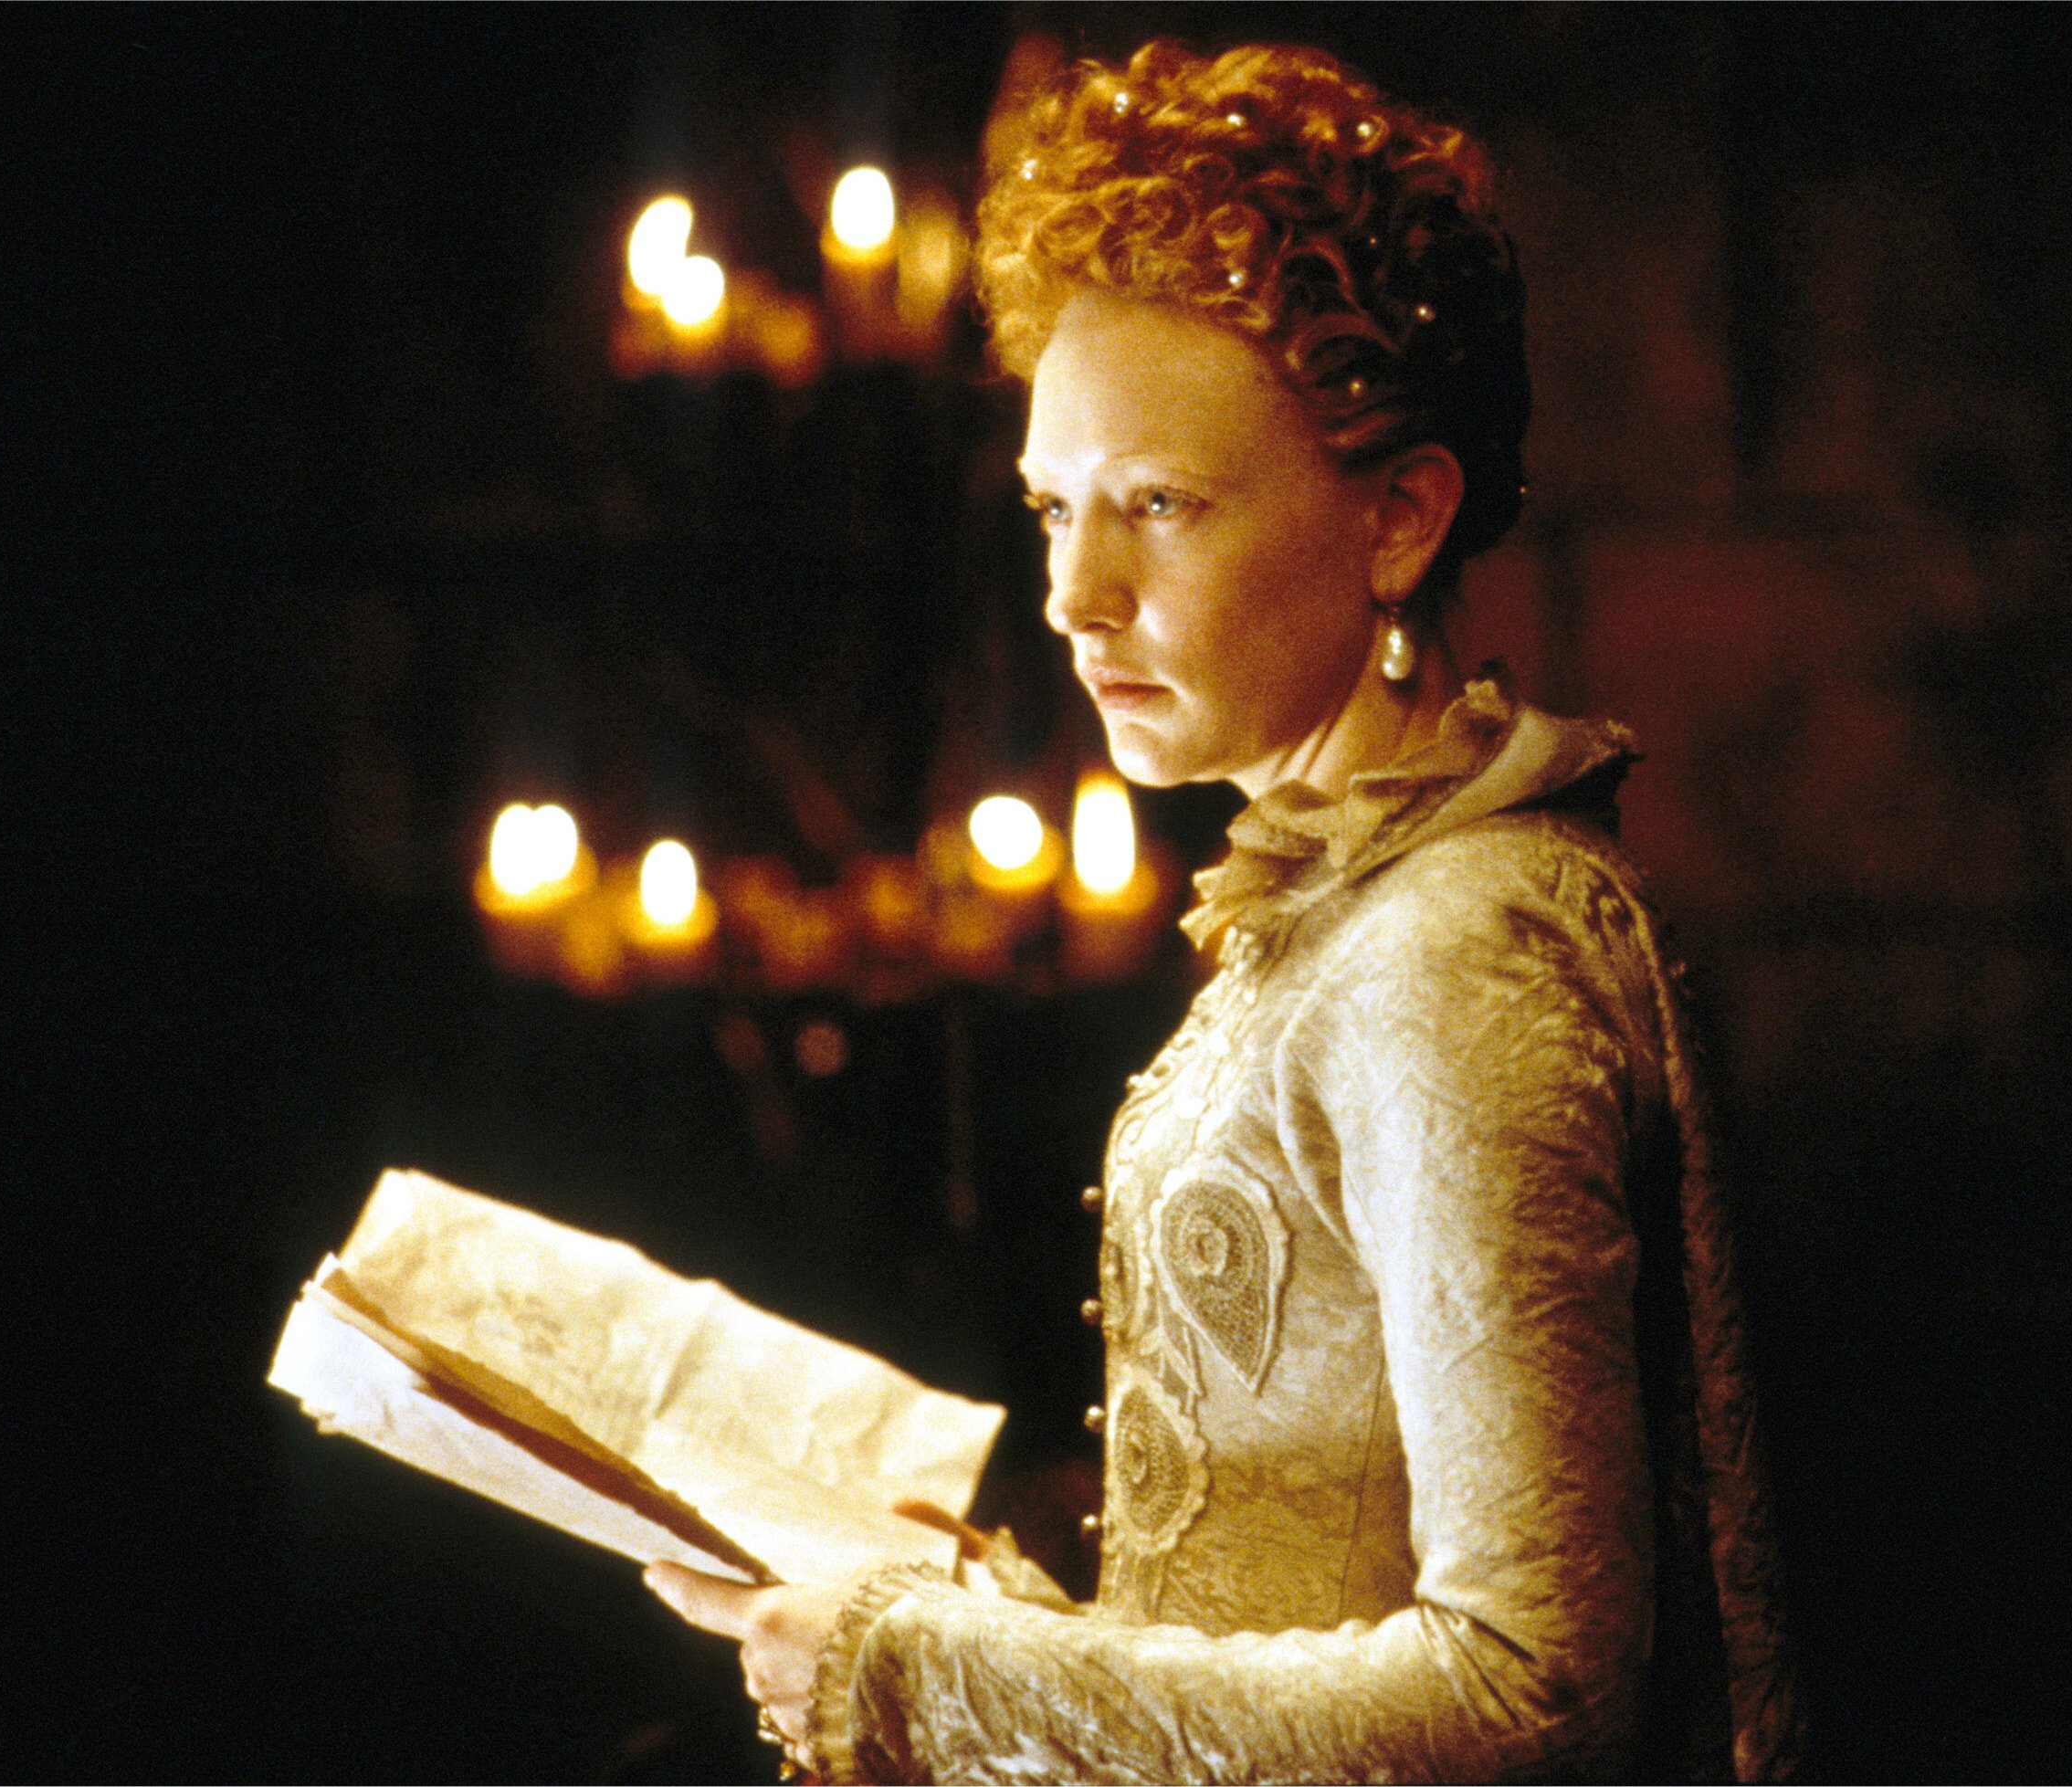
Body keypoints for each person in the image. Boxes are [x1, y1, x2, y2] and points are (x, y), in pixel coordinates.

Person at [647, 40, 1799, 1784]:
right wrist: (1003, 1611)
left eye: (1160, 508)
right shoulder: (1358, 891)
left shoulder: (1455, 951)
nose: (1075, 595)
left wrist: (925, 1669)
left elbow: (1530, 1686)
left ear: (1398, 517)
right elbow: (1294, 1557)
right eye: (1054, 508)